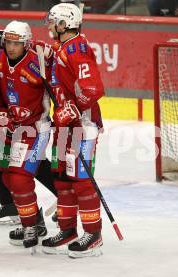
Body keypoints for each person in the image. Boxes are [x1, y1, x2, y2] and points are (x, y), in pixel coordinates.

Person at [0, 0, 57, 227]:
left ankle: (62, 196)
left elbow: (26, 56)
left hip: (16, 116)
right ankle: (12, 204)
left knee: (23, 162)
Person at [44, 3, 105, 258]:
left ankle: (93, 234)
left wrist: (72, 110)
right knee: (62, 177)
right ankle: (68, 229)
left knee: (81, 180)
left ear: (63, 25)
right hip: (66, 125)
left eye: (52, 21)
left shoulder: (76, 49)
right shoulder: (65, 48)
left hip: (83, 124)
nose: (49, 25)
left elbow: (93, 89)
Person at [0, 20, 52, 250]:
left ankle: (29, 226)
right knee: (6, 176)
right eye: (8, 42)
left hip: (36, 128)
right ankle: (35, 219)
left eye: (16, 43)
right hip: (10, 127)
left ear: (26, 43)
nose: (11, 47)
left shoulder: (39, 64)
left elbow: (60, 86)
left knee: (20, 177)